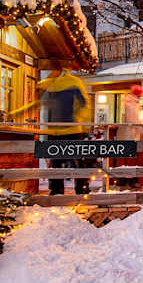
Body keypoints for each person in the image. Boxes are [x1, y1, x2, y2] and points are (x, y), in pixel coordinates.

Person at [36, 68, 91, 196]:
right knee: (72, 160)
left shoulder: (62, 84)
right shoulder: (62, 84)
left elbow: (84, 104)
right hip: (66, 130)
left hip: (63, 130)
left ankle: (61, 188)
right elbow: (84, 104)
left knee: (63, 160)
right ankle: (75, 187)